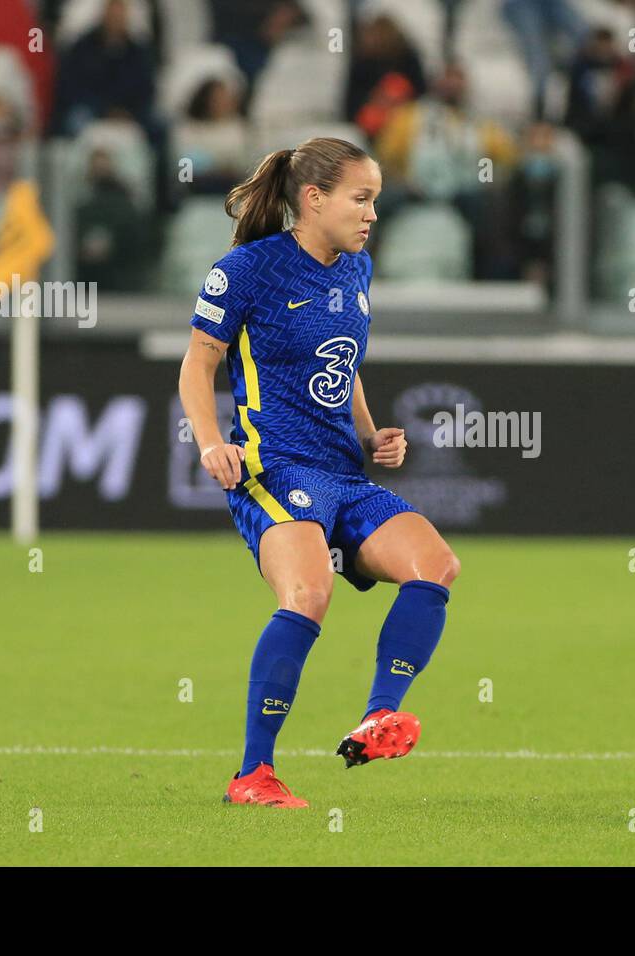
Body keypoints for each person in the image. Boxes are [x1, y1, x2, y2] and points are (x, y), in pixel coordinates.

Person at [177, 137, 461, 808]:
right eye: (361, 200)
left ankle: (377, 715)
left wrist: (369, 433)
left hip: (341, 472)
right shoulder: (246, 270)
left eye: (376, 202)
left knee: (436, 565)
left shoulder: (354, 269)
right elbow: (198, 362)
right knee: (307, 596)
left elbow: (345, 362)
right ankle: (253, 774)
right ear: (314, 199)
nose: (371, 216)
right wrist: (210, 442)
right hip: (272, 467)